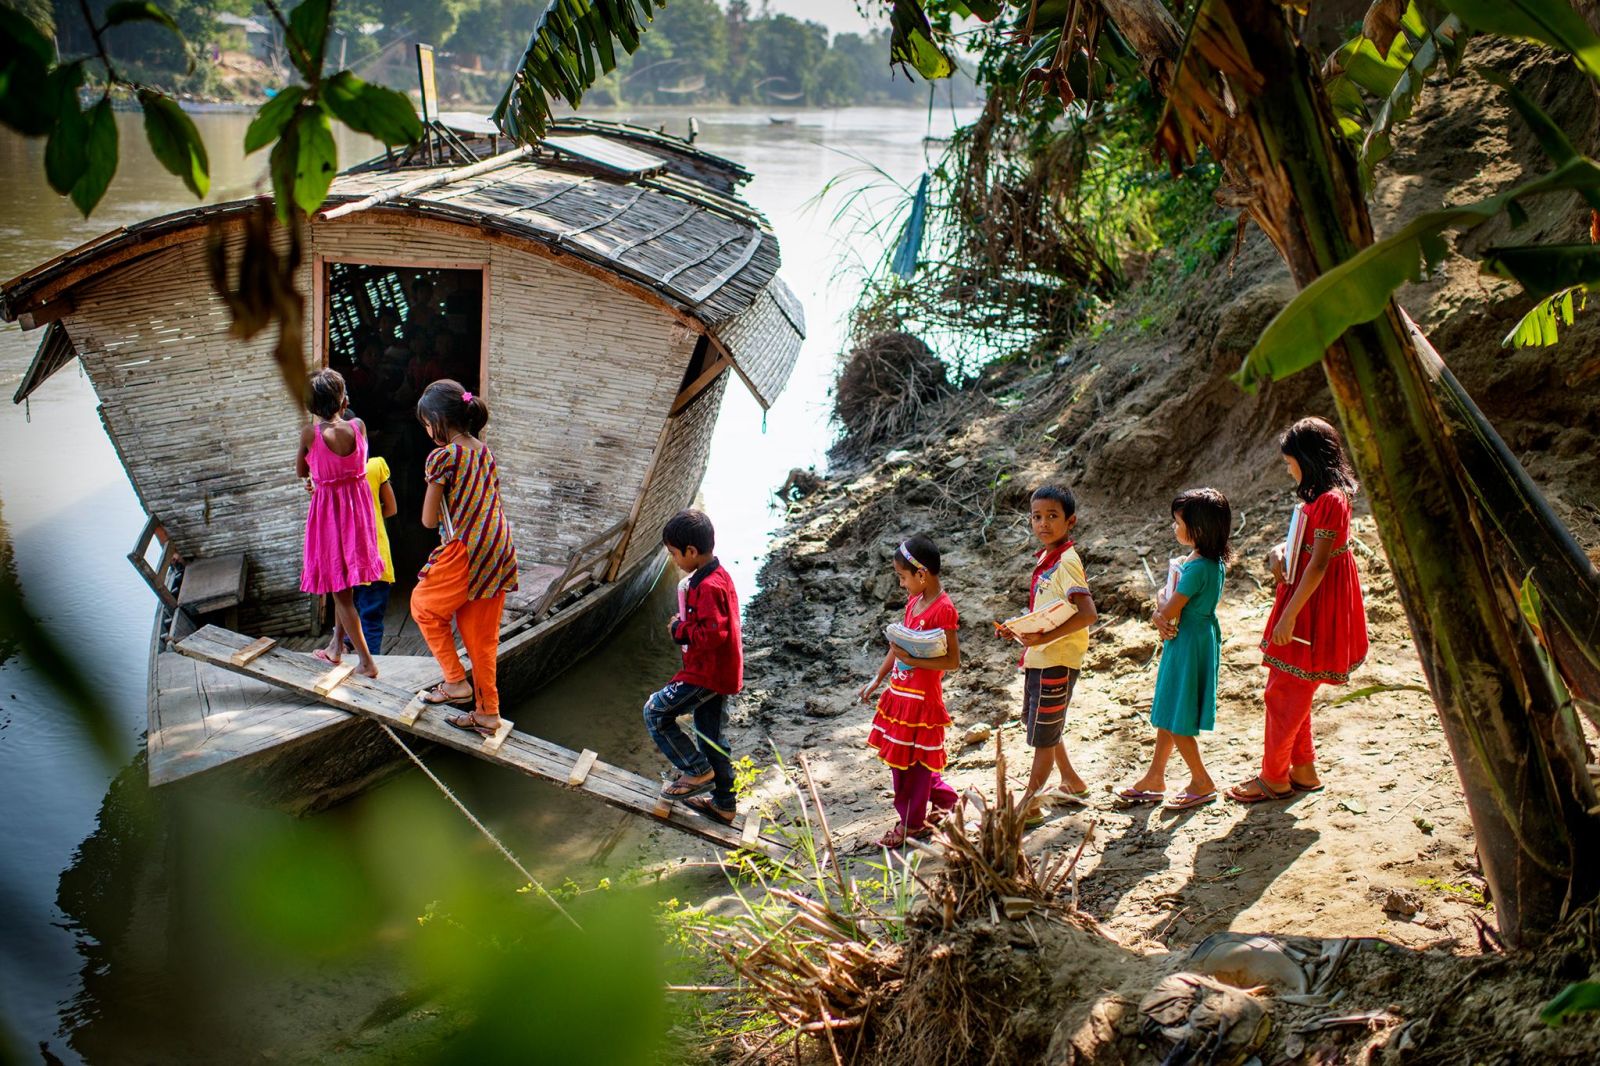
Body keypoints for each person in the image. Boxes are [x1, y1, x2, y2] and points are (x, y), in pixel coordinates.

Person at [1230, 417, 1369, 803]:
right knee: (1294, 684)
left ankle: (1274, 778)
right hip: (1308, 596)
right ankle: (1303, 769)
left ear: (1307, 460)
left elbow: (1320, 563)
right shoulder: (1324, 497)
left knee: (1285, 691)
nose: (1288, 469)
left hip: (1312, 604)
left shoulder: (1332, 500)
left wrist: (1289, 614)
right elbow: (1311, 546)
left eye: (1290, 462)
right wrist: (1280, 549)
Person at [411, 380, 520, 737]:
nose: (427, 431)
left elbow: (429, 520)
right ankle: (488, 713)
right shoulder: (483, 451)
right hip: (499, 547)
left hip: (468, 547)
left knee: (423, 606)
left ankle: (455, 681)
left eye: (427, 424)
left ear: (439, 421)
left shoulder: (443, 456)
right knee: (480, 637)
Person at [1120, 489, 1232, 811]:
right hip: (1196, 637)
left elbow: (1168, 609)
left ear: (1198, 529)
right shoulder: (1210, 562)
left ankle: (1202, 781)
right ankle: (1155, 777)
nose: (1174, 527)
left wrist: (1158, 605)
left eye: (1178, 523)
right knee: (1170, 708)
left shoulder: (1196, 569)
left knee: (1176, 715)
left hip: (1186, 642)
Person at [997, 485, 1098, 826]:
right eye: (1037, 517)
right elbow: (1050, 610)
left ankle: (1030, 803)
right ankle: (1071, 780)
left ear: (1071, 521)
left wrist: (1043, 638)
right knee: (1043, 726)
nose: (1043, 523)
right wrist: (1019, 629)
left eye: (1052, 516)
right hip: (1041, 657)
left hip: (1057, 660)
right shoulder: (1047, 560)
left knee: (1043, 736)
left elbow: (1087, 614)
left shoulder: (1067, 562)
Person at [858, 536, 961, 848]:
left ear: (921, 574)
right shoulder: (914, 602)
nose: (902, 584)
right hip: (900, 694)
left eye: (903, 577)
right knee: (907, 760)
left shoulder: (944, 610)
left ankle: (911, 824)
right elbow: (898, 646)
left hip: (922, 700)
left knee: (910, 767)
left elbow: (952, 661)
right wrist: (878, 678)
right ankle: (944, 800)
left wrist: (914, 660)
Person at [644, 510, 743, 826]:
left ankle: (697, 771)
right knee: (711, 738)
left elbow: (714, 635)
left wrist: (679, 629)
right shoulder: (717, 576)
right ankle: (724, 805)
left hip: (708, 672)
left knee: (655, 712)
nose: (673, 560)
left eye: (674, 554)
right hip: (720, 670)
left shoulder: (709, 586)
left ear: (691, 551)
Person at [297, 369, 385, 678]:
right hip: (357, 515)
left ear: (310, 407)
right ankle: (336, 647)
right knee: (343, 585)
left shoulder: (310, 434)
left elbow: (301, 470)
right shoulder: (358, 426)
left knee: (340, 590)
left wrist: (318, 477)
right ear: (344, 401)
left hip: (330, 517)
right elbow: (356, 465)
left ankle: (366, 663)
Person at [332, 455, 398, 657]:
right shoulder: (375, 466)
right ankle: (371, 662)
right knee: (371, 618)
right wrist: (370, 516)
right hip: (375, 556)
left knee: (346, 608)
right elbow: (391, 508)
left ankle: (345, 649)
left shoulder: (331, 473)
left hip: (347, 558)